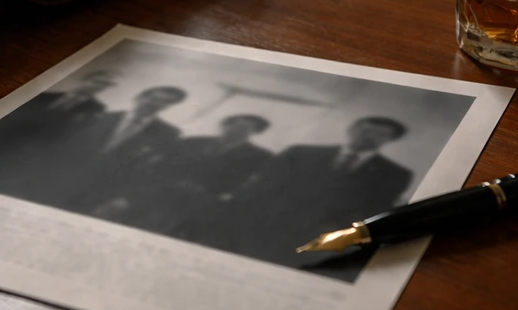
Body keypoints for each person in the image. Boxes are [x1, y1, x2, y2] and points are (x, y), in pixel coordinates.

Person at [242, 116, 413, 267]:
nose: (369, 136)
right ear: (352, 129)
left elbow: (373, 210)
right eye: (365, 130)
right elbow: (265, 187)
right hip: (269, 227)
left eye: (380, 134)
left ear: (390, 139)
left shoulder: (395, 174)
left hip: (323, 240)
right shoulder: (300, 153)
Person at [76, 86, 187, 222]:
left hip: (107, 193)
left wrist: (127, 198)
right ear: (139, 97)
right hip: (69, 179)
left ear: (168, 106)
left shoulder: (167, 134)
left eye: (164, 102)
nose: (154, 104)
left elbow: (156, 172)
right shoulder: (103, 117)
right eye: (153, 98)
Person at [159, 114, 273, 247]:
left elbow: (250, 184)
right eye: (234, 124)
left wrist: (219, 194)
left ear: (255, 132)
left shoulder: (261, 157)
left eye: (246, 128)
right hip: (171, 197)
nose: (237, 130)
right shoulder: (193, 142)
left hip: (211, 204)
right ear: (224, 125)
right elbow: (168, 165)